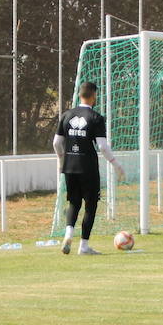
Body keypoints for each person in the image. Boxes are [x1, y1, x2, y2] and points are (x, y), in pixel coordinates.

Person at [52, 81, 125, 254]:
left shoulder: (66, 115)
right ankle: (83, 246)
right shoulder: (96, 118)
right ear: (94, 96)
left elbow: (56, 143)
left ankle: (69, 232)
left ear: (79, 95)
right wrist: (116, 164)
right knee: (90, 205)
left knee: (73, 202)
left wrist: (62, 158)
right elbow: (103, 147)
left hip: (69, 166)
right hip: (88, 167)